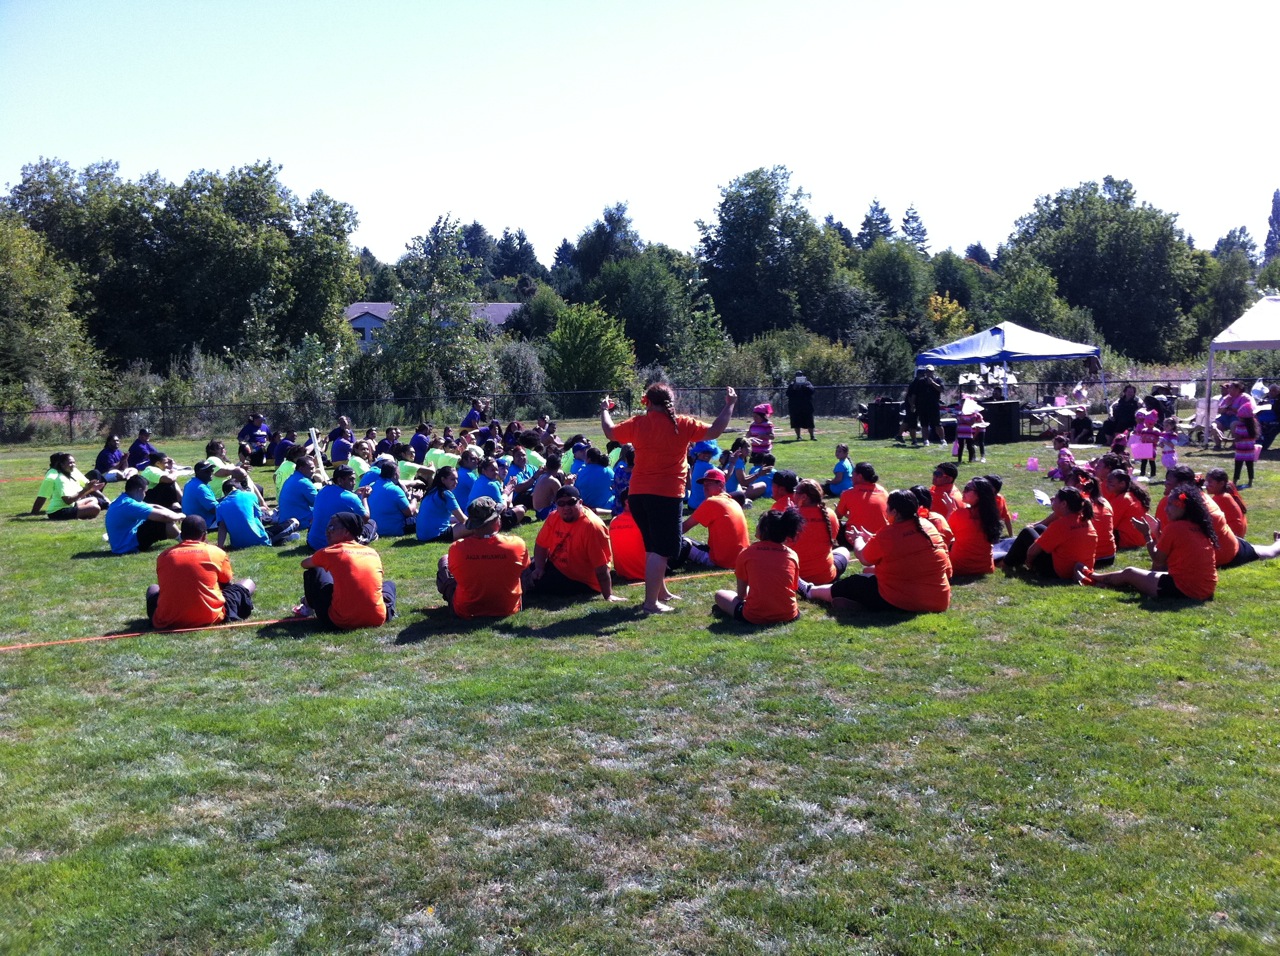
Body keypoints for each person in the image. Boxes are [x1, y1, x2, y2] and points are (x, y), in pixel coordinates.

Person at [601, 382, 737, 613]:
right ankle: (651, 603)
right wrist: (730, 405)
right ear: (670, 402)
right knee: (662, 549)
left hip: (637, 495)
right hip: (665, 494)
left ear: (648, 402)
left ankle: (661, 592)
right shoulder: (682, 424)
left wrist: (604, 410)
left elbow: (610, 432)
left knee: (653, 546)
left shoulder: (638, 423)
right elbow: (715, 430)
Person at [804, 490, 952, 613]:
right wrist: (871, 538)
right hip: (938, 600)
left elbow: (864, 557)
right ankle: (860, 604)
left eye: (887, 508)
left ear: (895, 512)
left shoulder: (889, 534)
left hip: (906, 601)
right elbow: (902, 546)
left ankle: (811, 591)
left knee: (855, 582)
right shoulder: (927, 526)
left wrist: (857, 539)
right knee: (870, 571)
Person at [1081, 483, 1218, 601]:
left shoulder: (1175, 527)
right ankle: (1105, 583)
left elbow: (1158, 559)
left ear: (1182, 507)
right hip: (1206, 588)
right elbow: (1168, 554)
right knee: (1147, 574)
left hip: (1186, 590)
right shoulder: (1199, 525)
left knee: (1130, 572)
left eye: (1170, 505)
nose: (1166, 509)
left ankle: (1092, 576)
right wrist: (1157, 532)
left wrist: (1147, 534)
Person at [146, 515, 255, 629]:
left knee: (152, 588)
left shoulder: (164, 556)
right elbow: (226, 580)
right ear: (204, 535)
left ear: (182, 535)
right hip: (210, 616)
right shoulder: (215, 552)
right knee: (248, 583)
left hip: (168, 619)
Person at [295, 512, 397, 628]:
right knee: (389, 585)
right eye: (328, 527)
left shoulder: (332, 552)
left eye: (332, 527)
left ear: (347, 532)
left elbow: (304, 564)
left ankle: (308, 607)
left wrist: (322, 560)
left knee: (315, 569)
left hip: (339, 621)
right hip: (377, 619)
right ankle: (385, 611)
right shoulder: (372, 552)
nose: (327, 531)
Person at [436, 497, 530, 618]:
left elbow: (455, 574)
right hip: (508, 608)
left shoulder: (457, 548)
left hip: (466, 610)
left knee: (444, 560)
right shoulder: (516, 544)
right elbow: (525, 568)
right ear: (497, 520)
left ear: (473, 525)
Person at [525, 485, 622, 602]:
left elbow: (601, 567)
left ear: (580, 502)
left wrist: (608, 595)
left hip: (580, 579)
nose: (566, 507)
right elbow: (541, 545)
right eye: (561, 503)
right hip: (556, 565)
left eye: (571, 502)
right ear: (556, 504)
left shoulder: (592, 526)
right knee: (521, 566)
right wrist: (539, 568)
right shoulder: (554, 517)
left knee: (532, 583)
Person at [713, 508, 803, 624]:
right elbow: (792, 587)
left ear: (764, 529)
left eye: (758, 523)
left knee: (719, 595)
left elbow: (741, 595)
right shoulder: (792, 555)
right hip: (789, 614)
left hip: (754, 616)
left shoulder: (747, 553)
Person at [1001, 487, 1098, 581]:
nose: (1052, 500)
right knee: (1039, 528)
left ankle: (1006, 563)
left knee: (1027, 532)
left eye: (1055, 499)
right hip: (1082, 569)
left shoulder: (1060, 525)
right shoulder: (1085, 520)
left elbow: (1032, 551)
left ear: (1064, 504)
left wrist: (1029, 563)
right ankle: (1014, 559)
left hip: (1060, 573)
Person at [677, 468, 750, 570]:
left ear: (720, 485)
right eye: (704, 485)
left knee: (678, 541)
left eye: (709, 484)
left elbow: (684, 528)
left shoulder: (712, 502)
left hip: (721, 562)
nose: (705, 488)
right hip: (739, 559)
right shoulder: (732, 501)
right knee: (687, 540)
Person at [789, 479, 850, 586]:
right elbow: (831, 542)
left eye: (796, 491)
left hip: (794, 576)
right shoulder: (830, 514)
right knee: (844, 550)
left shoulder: (789, 516)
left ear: (804, 497)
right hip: (824, 577)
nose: (793, 494)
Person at [105, 474, 182, 555]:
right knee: (162, 521)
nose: (145, 495)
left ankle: (181, 537)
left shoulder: (124, 500)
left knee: (159, 517)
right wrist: (180, 516)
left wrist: (174, 513)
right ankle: (184, 540)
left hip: (122, 544)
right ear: (139, 490)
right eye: (145, 492)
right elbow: (165, 517)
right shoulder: (130, 504)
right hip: (128, 546)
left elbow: (154, 506)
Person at [216, 476, 300, 549]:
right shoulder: (250, 495)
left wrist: (220, 546)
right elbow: (259, 520)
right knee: (294, 521)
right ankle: (281, 539)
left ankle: (281, 539)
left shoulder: (220, 506)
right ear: (240, 488)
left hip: (237, 544)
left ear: (225, 493)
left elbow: (222, 528)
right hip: (260, 538)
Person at [309, 465, 375, 550]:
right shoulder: (351, 498)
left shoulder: (323, 490)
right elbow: (365, 518)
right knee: (371, 523)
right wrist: (364, 497)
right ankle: (364, 539)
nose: (354, 482)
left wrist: (354, 493)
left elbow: (338, 500)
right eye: (351, 479)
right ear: (340, 480)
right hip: (332, 545)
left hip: (313, 542)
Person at [948, 477, 1003, 576]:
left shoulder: (960, 514)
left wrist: (950, 511)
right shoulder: (991, 515)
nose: (963, 491)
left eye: (968, 489)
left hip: (959, 568)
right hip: (985, 567)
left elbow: (945, 534)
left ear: (979, 495)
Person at [32, 452, 105, 520]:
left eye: (74, 462)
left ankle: (81, 513)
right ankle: (80, 514)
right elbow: (68, 501)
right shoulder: (61, 478)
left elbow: (76, 495)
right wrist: (86, 489)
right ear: (62, 465)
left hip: (70, 506)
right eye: (70, 463)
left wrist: (91, 489)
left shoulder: (69, 476)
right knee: (95, 508)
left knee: (93, 499)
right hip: (58, 512)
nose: (73, 465)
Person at [835, 462, 889, 546]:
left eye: (852, 474)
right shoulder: (883, 492)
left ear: (859, 477)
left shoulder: (848, 494)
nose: (851, 477)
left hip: (855, 539)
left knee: (832, 522)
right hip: (879, 538)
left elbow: (837, 517)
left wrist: (841, 502)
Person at [415, 466, 468, 542]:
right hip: (436, 535)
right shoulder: (446, 494)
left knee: (455, 519)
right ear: (443, 480)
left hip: (422, 536)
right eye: (453, 479)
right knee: (474, 526)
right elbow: (463, 519)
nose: (456, 482)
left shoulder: (432, 491)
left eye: (457, 479)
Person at [1104, 470, 1153, 550]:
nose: (1106, 485)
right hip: (1139, 540)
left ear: (1122, 484)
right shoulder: (1131, 495)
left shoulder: (1123, 499)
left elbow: (1109, 524)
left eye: (1110, 483)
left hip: (1127, 541)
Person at [367, 460, 417, 537]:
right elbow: (409, 512)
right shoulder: (394, 489)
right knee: (423, 519)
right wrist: (414, 499)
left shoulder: (372, 485)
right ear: (395, 475)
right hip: (395, 529)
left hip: (374, 528)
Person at [277, 455, 323, 530]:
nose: (313, 471)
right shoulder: (304, 482)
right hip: (300, 521)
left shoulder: (291, 478)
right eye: (311, 468)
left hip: (284, 519)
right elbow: (318, 503)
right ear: (301, 468)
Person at [607, 495, 647, 581]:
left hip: (622, 573)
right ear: (627, 502)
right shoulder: (644, 520)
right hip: (650, 571)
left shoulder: (614, 521)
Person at [903, 366, 945, 446]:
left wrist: (932, 383)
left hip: (934, 405)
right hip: (922, 406)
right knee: (924, 424)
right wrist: (912, 404)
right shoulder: (920, 381)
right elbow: (914, 394)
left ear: (933, 372)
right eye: (927, 372)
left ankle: (942, 440)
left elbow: (941, 390)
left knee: (937, 424)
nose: (929, 373)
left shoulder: (938, 380)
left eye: (930, 371)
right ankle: (926, 440)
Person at [1205, 468, 1248, 538]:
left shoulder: (1221, 498)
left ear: (1221, 483)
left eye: (1210, 482)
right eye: (1206, 482)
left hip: (1233, 538)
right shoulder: (1227, 495)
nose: (1206, 485)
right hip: (1238, 537)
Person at [181, 459, 221, 529]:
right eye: (207, 471)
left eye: (211, 470)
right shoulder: (201, 488)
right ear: (198, 472)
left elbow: (212, 501)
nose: (210, 473)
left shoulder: (191, 483)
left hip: (191, 523)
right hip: (202, 524)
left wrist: (228, 497)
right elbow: (215, 510)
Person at [574, 446, 616, 513]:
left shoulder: (580, 472)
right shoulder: (608, 471)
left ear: (589, 459)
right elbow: (616, 487)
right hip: (606, 506)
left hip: (587, 506)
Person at [530, 451, 567, 521]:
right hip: (545, 512)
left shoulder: (542, 476)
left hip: (538, 511)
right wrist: (569, 484)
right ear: (559, 466)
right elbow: (563, 499)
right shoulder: (553, 481)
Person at [1232, 399, 1260, 487]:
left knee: (1238, 467)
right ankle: (1250, 482)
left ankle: (1234, 482)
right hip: (1250, 451)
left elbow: (1237, 438)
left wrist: (1230, 437)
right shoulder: (1253, 426)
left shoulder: (1240, 426)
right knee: (1250, 466)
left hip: (1240, 450)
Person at [785, 371, 816, 441]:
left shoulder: (807, 383)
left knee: (810, 422)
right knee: (796, 423)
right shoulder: (792, 384)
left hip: (807, 406)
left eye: (800, 375)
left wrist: (805, 386)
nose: (799, 377)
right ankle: (798, 436)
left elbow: (812, 391)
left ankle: (812, 436)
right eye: (797, 376)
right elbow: (788, 393)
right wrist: (794, 387)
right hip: (795, 407)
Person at [953, 397, 985, 464]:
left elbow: (971, 423)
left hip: (968, 432)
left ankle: (971, 459)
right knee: (960, 446)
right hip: (961, 432)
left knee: (969, 446)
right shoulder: (960, 413)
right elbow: (958, 423)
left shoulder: (973, 414)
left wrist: (964, 420)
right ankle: (959, 460)